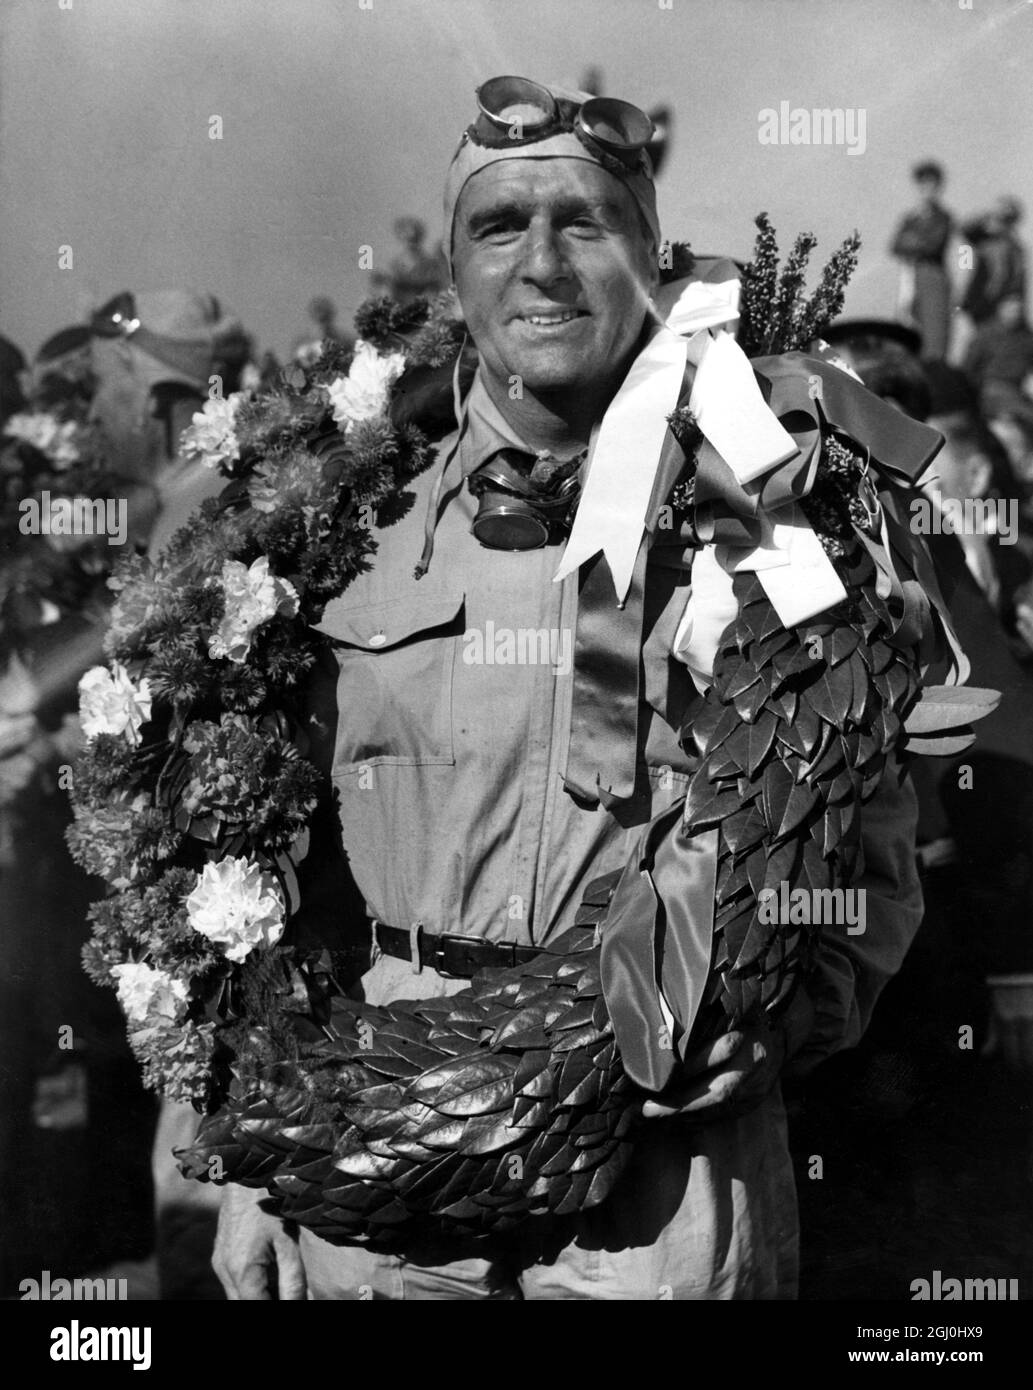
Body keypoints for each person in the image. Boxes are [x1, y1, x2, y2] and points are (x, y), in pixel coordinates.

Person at [213, 75, 930, 1301]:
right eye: (501, 226)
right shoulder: (345, 523)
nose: (542, 264)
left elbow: (865, 839)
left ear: (652, 260)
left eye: (584, 223)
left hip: (662, 1159)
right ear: (455, 274)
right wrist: (245, 1163)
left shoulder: (765, 509)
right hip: (382, 1140)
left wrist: (789, 1011)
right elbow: (254, 854)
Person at [890, 161, 953, 361]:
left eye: (932, 185)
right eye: (923, 185)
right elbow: (896, 246)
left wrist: (913, 241)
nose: (928, 190)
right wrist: (916, 242)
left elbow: (934, 244)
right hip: (909, 275)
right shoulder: (910, 218)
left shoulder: (944, 218)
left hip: (932, 276)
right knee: (904, 326)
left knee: (934, 338)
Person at [960, 196, 1027, 328]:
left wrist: (982, 304)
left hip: (993, 309)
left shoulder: (1009, 247)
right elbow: (964, 230)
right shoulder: (986, 242)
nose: (993, 222)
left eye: (1000, 219)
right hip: (983, 306)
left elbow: (1000, 281)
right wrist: (986, 216)